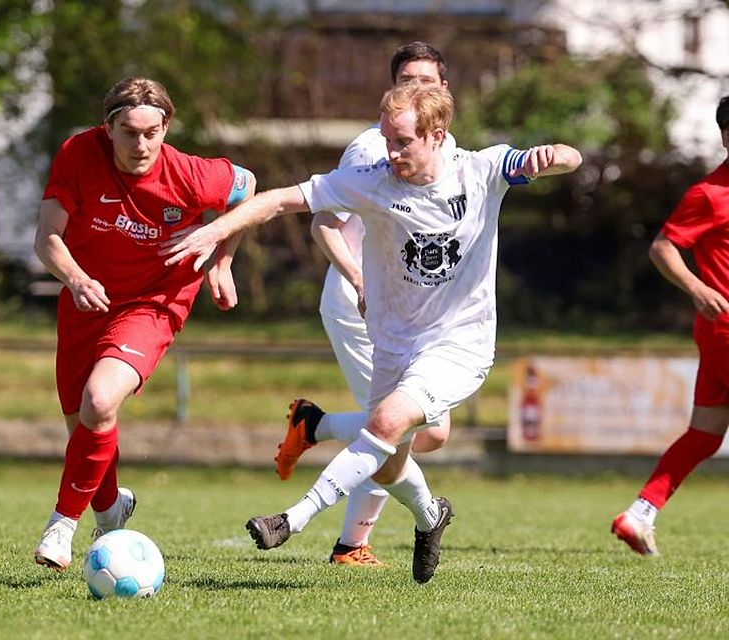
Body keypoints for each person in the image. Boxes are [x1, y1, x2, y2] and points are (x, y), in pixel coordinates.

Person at [166, 83, 581, 583]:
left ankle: (292, 520)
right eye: (387, 139)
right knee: (385, 465)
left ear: (437, 135)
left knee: (385, 422)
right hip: (393, 342)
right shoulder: (372, 181)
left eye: (403, 141)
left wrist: (553, 155)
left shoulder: (482, 169)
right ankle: (431, 517)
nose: (391, 152)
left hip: (459, 344)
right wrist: (214, 232)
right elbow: (279, 201)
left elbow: (571, 158)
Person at [32, 77, 255, 571]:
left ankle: (61, 526)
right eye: (129, 132)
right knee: (86, 425)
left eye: (152, 132)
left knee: (99, 399)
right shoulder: (77, 154)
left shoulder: (192, 175)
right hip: (87, 299)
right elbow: (47, 236)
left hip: (155, 301)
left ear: (166, 126)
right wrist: (75, 278)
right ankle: (111, 508)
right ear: (107, 128)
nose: (142, 145)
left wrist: (221, 256)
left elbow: (248, 188)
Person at [288, 42, 456, 567]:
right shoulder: (373, 149)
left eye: (428, 79)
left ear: (444, 89)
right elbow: (323, 224)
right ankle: (351, 545)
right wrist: (360, 279)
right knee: (397, 429)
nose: (420, 87)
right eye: (409, 79)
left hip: (409, 312)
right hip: (359, 305)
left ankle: (313, 426)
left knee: (429, 432)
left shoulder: (446, 149)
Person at [611, 95, 729, 557]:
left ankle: (639, 514)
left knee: (704, 434)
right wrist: (698, 290)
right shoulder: (710, 194)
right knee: (704, 433)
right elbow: (663, 247)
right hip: (724, 325)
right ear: (725, 137)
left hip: (718, 332)